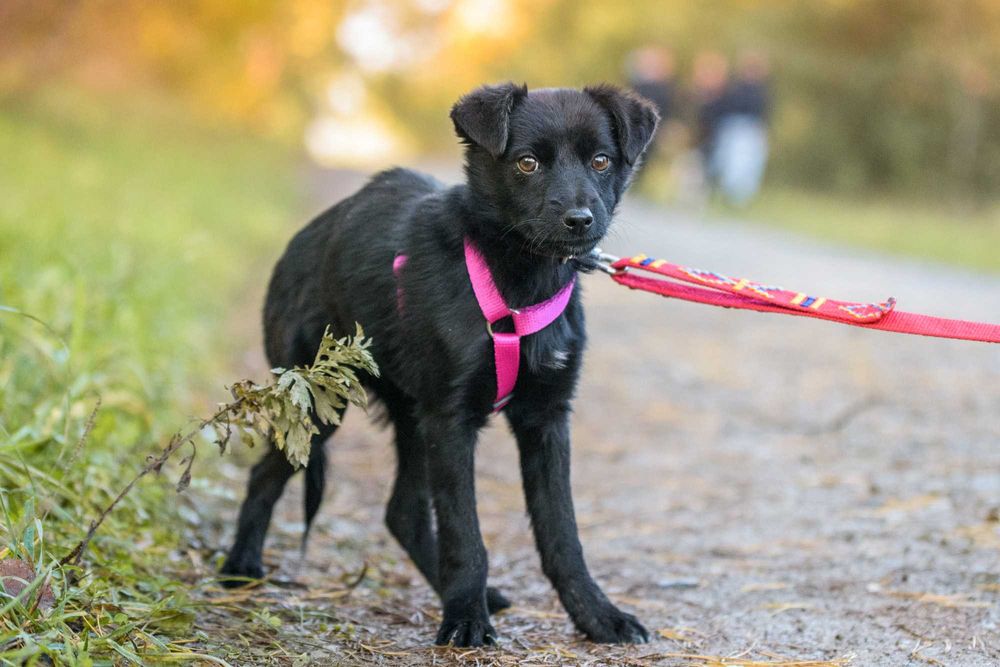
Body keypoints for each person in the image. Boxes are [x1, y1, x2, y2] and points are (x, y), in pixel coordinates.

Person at [712, 50, 771, 206]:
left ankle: (737, 199)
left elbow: (764, 114)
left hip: (749, 131)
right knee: (728, 163)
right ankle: (725, 194)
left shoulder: (762, 91)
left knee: (744, 166)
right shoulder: (735, 87)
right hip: (733, 128)